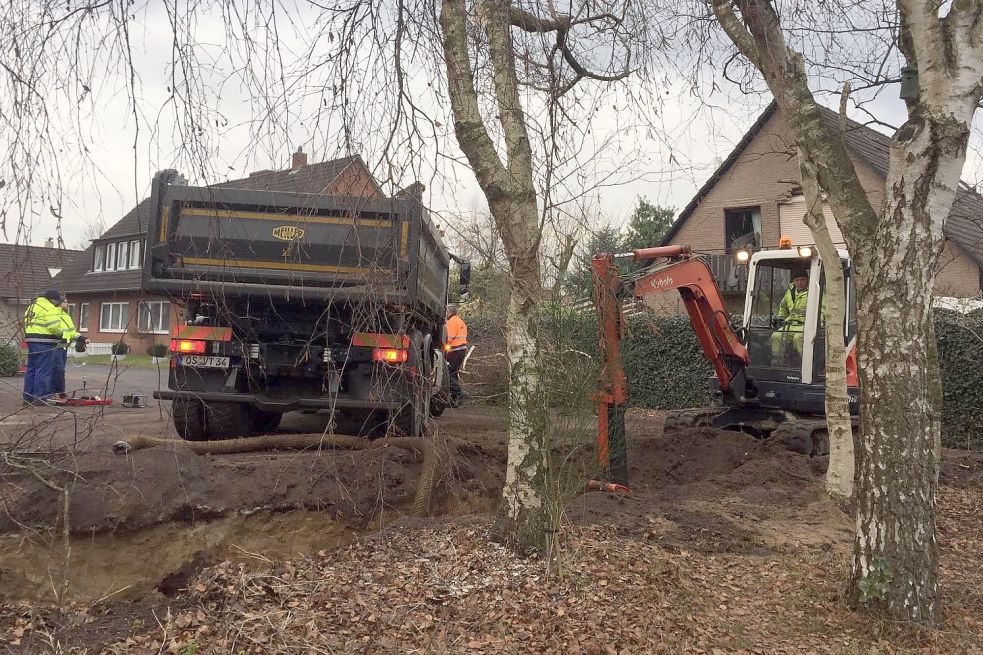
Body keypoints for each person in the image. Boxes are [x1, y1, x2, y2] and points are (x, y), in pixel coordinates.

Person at [22, 289, 75, 405]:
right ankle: (40, 398)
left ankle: (27, 397)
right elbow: (54, 327)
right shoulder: (49, 308)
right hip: (45, 342)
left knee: (31, 370)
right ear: (53, 300)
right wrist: (62, 334)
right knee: (43, 370)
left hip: (31, 341)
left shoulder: (32, 307)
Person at [770, 269, 809, 362]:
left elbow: (822, 310)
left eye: (803, 279)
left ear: (807, 280)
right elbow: (783, 308)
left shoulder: (815, 292)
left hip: (806, 326)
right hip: (790, 325)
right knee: (776, 336)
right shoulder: (789, 293)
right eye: (797, 280)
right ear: (794, 281)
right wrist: (780, 319)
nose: (800, 282)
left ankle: (803, 362)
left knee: (798, 338)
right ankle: (777, 361)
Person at [51, 297, 80, 400]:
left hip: (64, 347)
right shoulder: (54, 314)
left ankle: (60, 391)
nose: (67, 304)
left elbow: (72, 331)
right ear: (59, 303)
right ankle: (52, 391)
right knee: (57, 369)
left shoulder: (66, 316)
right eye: (65, 302)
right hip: (55, 346)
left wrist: (80, 337)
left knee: (61, 370)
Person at [445, 304, 468, 406]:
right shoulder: (460, 321)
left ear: (449, 312)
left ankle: (458, 393)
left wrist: (444, 347)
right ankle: (454, 399)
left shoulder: (452, 322)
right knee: (453, 373)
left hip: (455, 351)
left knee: (449, 373)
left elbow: (449, 337)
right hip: (460, 350)